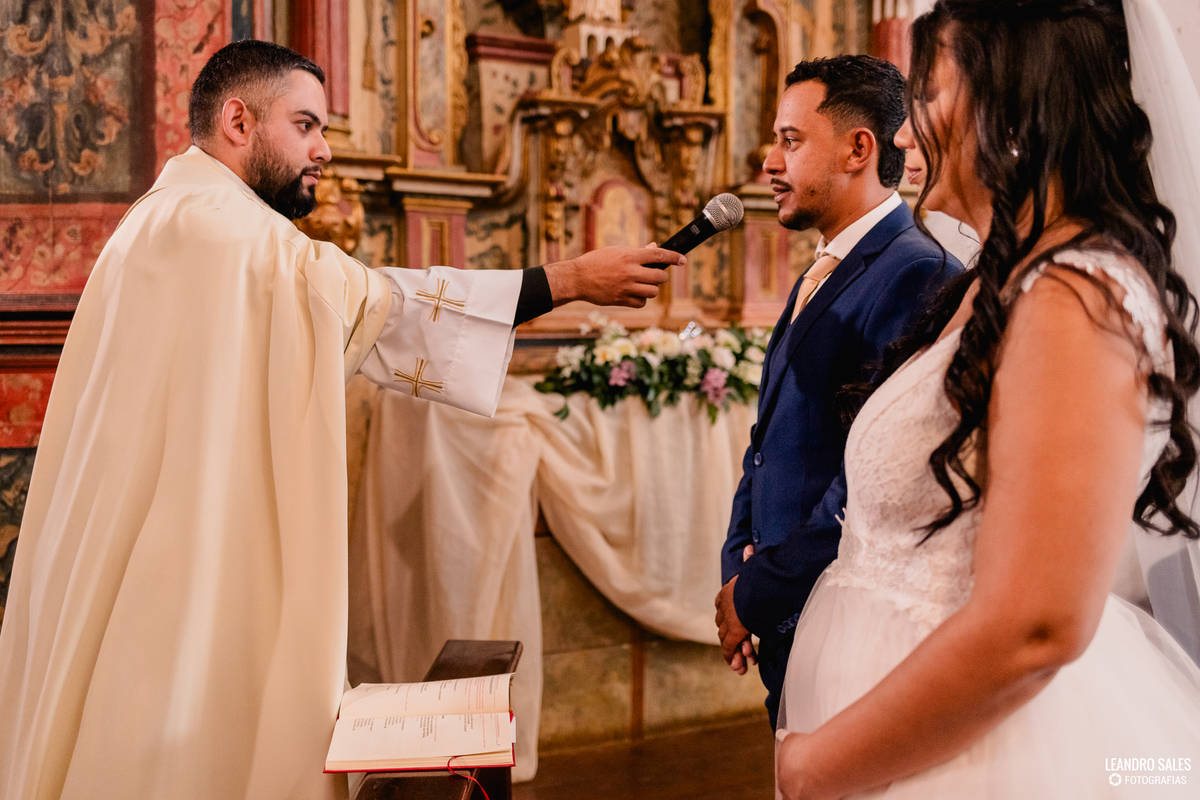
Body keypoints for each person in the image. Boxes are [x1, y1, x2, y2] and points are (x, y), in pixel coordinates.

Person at [0, 40, 684, 800]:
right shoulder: (217, 228)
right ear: (237, 119)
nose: (324, 149)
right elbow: (370, 304)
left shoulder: (173, 218)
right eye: (306, 125)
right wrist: (570, 279)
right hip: (178, 559)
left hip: (158, 539)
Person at [774, 1, 1200, 798]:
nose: (904, 135)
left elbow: (1035, 626)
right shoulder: (999, 280)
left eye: (928, 96)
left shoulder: (1077, 297)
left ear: (1016, 102)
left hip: (987, 757)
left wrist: (815, 765)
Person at [713, 55, 962, 728]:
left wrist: (761, 590)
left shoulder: (918, 274)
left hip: (847, 617)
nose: (769, 162)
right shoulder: (826, 267)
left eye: (790, 141)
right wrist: (737, 566)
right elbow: (767, 443)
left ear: (859, 149)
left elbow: (874, 475)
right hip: (790, 612)